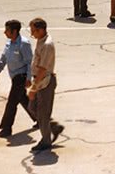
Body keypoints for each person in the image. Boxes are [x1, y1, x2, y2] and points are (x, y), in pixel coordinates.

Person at [0, 18, 32, 138]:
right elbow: (3, 59)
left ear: (15, 31)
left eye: (7, 30)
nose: (4, 32)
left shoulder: (24, 44)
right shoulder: (9, 44)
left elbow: (29, 62)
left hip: (21, 77)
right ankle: (41, 120)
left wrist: (28, 78)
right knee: (23, 99)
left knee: (11, 103)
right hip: (14, 76)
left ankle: (6, 128)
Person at [27, 17, 64, 152]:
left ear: (41, 30)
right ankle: (52, 126)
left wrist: (33, 87)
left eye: (34, 31)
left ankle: (46, 141)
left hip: (44, 82)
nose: (32, 34)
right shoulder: (40, 41)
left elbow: (43, 69)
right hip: (39, 80)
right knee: (32, 107)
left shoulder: (47, 45)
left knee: (42, 112)